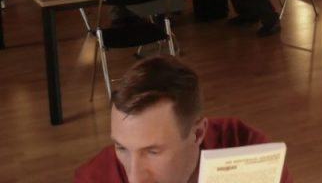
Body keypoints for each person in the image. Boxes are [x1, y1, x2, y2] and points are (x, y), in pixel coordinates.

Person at [74, 55, 293, 183]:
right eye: (122, 148)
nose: (134, 178)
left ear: (197, 133)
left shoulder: (246, 151)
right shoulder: (95, 177)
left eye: (152, 151)